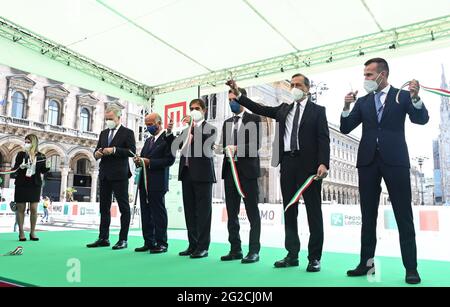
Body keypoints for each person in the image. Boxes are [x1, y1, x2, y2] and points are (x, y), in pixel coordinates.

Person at [227, 75, 330, 272]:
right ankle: (292, 254)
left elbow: (323, 138)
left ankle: (314, 257)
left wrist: (323, 163)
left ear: (307, 88)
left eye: (298, 85)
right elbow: (259, 109)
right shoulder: (284, 109)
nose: (294, 88)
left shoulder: (318, 111)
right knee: (289, 210)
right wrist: (238, 93)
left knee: (313, 212)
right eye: (291, 85)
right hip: (288, 163)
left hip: (310, 167)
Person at [340, 58, 429, 284]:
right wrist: (346, 106)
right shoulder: (363, 101)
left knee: (403, 216)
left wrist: (416, 97)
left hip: (396, 160)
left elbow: (421, 119)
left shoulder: (403, 95)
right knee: (368, 216)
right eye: (365, 75)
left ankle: (411, 268)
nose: (366, 79)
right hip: (368, 162)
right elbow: (345, 127)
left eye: (369, 75)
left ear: (383, 74)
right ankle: (365, 264)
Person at [166, 98, 217, 259]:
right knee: (189, 211)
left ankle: (203, 247)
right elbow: (175, 146)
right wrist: (169, 132)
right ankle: (192, 244)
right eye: (191, 108)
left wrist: (192, 127)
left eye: (196, 108)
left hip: (203, 175)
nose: (193, 111)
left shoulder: (210, 128)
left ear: (204, 111)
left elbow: (204, 145)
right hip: (186, 173)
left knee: (203, 212)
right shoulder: (186, 131)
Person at [219, 88, 262, 264]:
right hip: (230, 172)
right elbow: (224, 146)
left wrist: (237, 149)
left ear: (242, 100)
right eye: (229, 100)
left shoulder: (254, 119)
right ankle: (235, 249)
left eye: (234, 99)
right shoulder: (227, 123)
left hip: (248, 172)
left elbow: (255, 145)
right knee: (232, 213)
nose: (231, 102)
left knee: (252, 212)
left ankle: (254, 251)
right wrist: (223, 149)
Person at [87, 105, 136, 250]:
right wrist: (97, 154)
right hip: (104, 174)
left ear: (119, 118)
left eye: (110, 118)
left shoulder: (127, 132)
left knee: (124, 207)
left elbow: (132, 152)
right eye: (106, 119)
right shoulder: (103, 133)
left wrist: (114, 150)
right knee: (104, 208)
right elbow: (96, 150)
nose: (108, 121)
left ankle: (123, 239)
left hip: (120, 174)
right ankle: (103, 238)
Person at [133, 113, 175, 254]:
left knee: (158, 213)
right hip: (144, 181)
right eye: (146, 124)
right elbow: (145, 157)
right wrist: (139, 160)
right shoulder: (148, 141)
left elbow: (169, 160)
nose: (148, 127)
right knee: (145, 212)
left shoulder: (168, 139)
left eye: (150, 124)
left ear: (159, 123)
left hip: (158, 182)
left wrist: (149, 162)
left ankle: (162, 243)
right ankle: (149, 241)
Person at [12, 134, 50, 241]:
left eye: (28, 142)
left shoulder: (41, 156)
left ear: (34, 143)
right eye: (25, 142)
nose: (26, 144)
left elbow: (43, 170)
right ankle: (21, 233)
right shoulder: (20, 154)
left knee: (34, 209)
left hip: (35, 184)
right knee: (21, 208)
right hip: (21, 183)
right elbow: (15, 168)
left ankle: (33, 232)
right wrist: (20, 166)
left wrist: (48, 167)